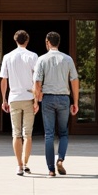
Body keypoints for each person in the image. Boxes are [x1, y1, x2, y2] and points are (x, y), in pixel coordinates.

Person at [32, 30, 79, 178]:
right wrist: (75, 101)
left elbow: (37, 82)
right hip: (64, 98)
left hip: (48, 99)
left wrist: (36, 100)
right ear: (59, 43)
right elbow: (74, 81)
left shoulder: (41, 59)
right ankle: (61, 159)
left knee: (49, 134)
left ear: (47, 42)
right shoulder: (68, 59)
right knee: (64, 132)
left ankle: (51, 170)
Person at [0, 29, 39, 176]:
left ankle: (19, 165)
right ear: (27, 41)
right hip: (28, 97)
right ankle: (26, 163)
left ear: (15, 40)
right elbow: (36, 80)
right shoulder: (33, 56)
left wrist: (4, 99)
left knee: (16, 134)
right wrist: (36, 100)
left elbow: (4, 80)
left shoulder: (8, 57)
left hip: (14, 98)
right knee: (27, 134)